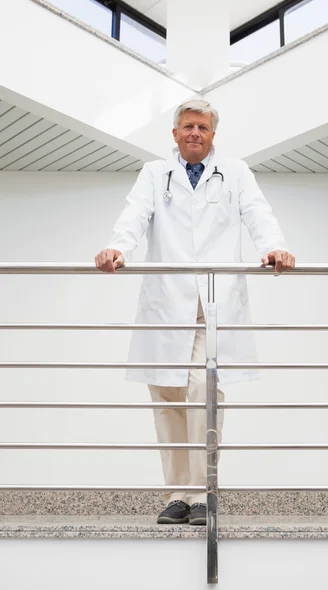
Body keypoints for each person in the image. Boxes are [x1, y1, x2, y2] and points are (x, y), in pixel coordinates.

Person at [95, 100, 295, 525]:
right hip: (166, 301)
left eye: (202, 127)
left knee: (204, 394)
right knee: (166, 398)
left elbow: (259, 214)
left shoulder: (236, 172)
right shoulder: (154, 173)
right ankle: (177, 496)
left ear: (212, 134)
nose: (194, 133)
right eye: (187, 126)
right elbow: (135, 215)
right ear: (174, 134)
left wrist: (273, 248)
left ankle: (204, 494)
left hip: (213, 303)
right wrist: (118, 247)